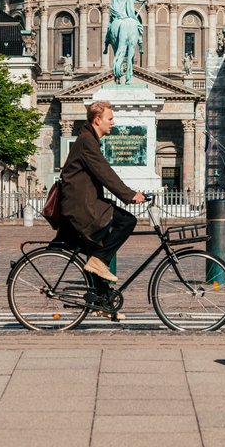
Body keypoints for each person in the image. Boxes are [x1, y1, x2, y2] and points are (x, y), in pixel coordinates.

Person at [58, 100, 147, 317]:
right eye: (110, 118)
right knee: (127, 221)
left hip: (85, 201)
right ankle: (100, 262)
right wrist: (129, 195)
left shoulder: (89, 140)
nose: (113, 123)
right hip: (82, 205)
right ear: (97, 120)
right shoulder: (87, 141)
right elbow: (104, 173)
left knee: (94, 251)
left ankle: (103, 303)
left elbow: (101, 174)